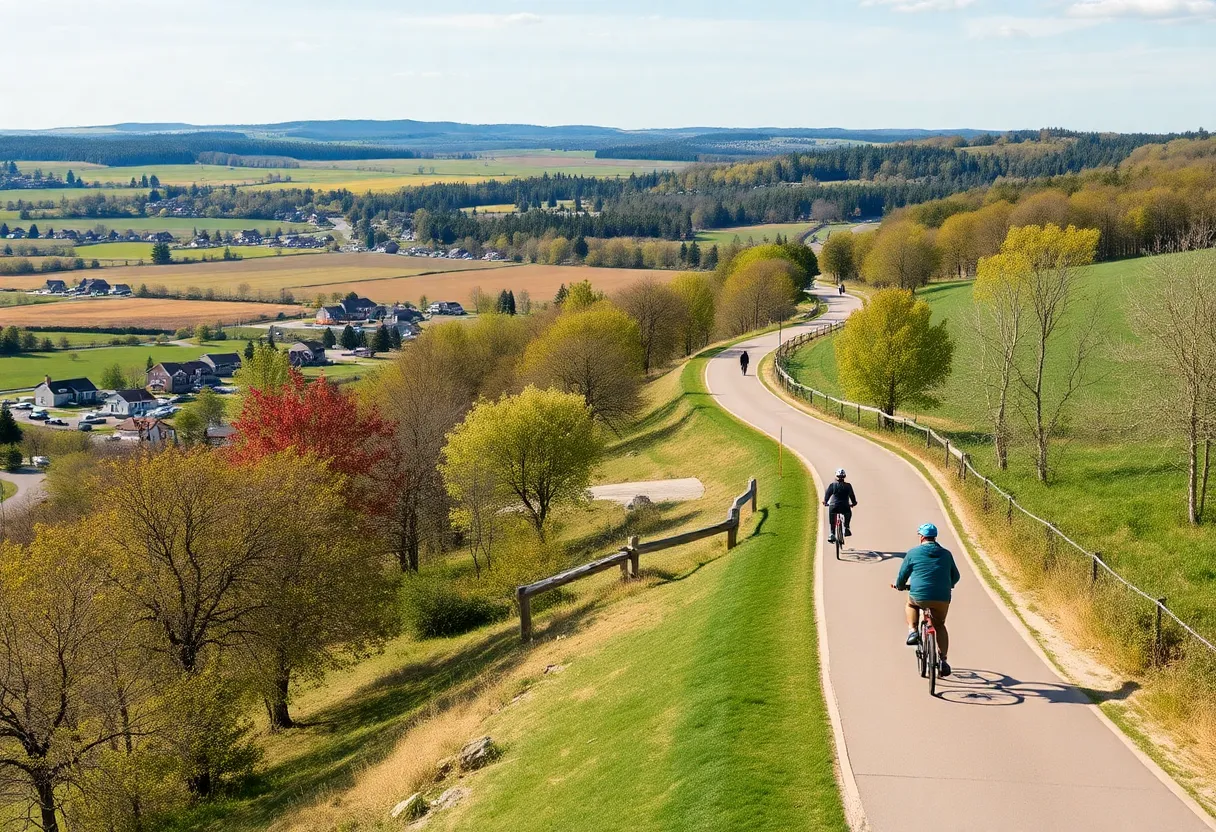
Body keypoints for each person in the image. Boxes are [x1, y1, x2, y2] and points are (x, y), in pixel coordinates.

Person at [892, 523, 961, 677]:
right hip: (942, 597)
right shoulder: (946, 554)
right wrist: (949, 585)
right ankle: (943, 660)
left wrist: (900, 586)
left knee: (910, 603)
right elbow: (956, 577)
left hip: (919, 595)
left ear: (921, 537)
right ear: (934, 537)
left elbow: (902, 575)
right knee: (940, 625)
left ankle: (913, 631)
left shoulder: (913, 553)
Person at [822, 468, 857, 543]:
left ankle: (832, 533)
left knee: (832, 519)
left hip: (833, 506)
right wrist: (854, 503)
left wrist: (825, 502)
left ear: (836, 477)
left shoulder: (832, 485)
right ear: (844, 477)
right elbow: (852, 496)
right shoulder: (848, 486)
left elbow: (827, 496)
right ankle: (846, 528)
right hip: (845, 506)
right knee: (848, 513)